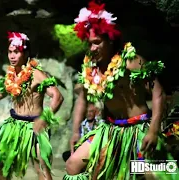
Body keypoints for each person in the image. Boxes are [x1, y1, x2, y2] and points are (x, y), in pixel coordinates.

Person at [64, 1, 178, 179]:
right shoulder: (90, 67)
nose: (92, 48)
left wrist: (154, 130)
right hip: (110, 130)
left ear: (110, 39)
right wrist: (76, 131)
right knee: (72, 165)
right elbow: (82, 99)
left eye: (97, 43)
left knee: (155, 175)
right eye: (89, 43)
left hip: (138, 129)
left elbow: (159, 93)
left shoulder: (131, 61)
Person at [0, 31, 64, 180]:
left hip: (34, 126)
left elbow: (57, 96)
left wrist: (44, 118)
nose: (12, 56)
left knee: (41, 169)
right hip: (14, 125)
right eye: (10, 52)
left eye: (16, 52)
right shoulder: (11, 75)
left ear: (26, 53)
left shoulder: (36, 74)